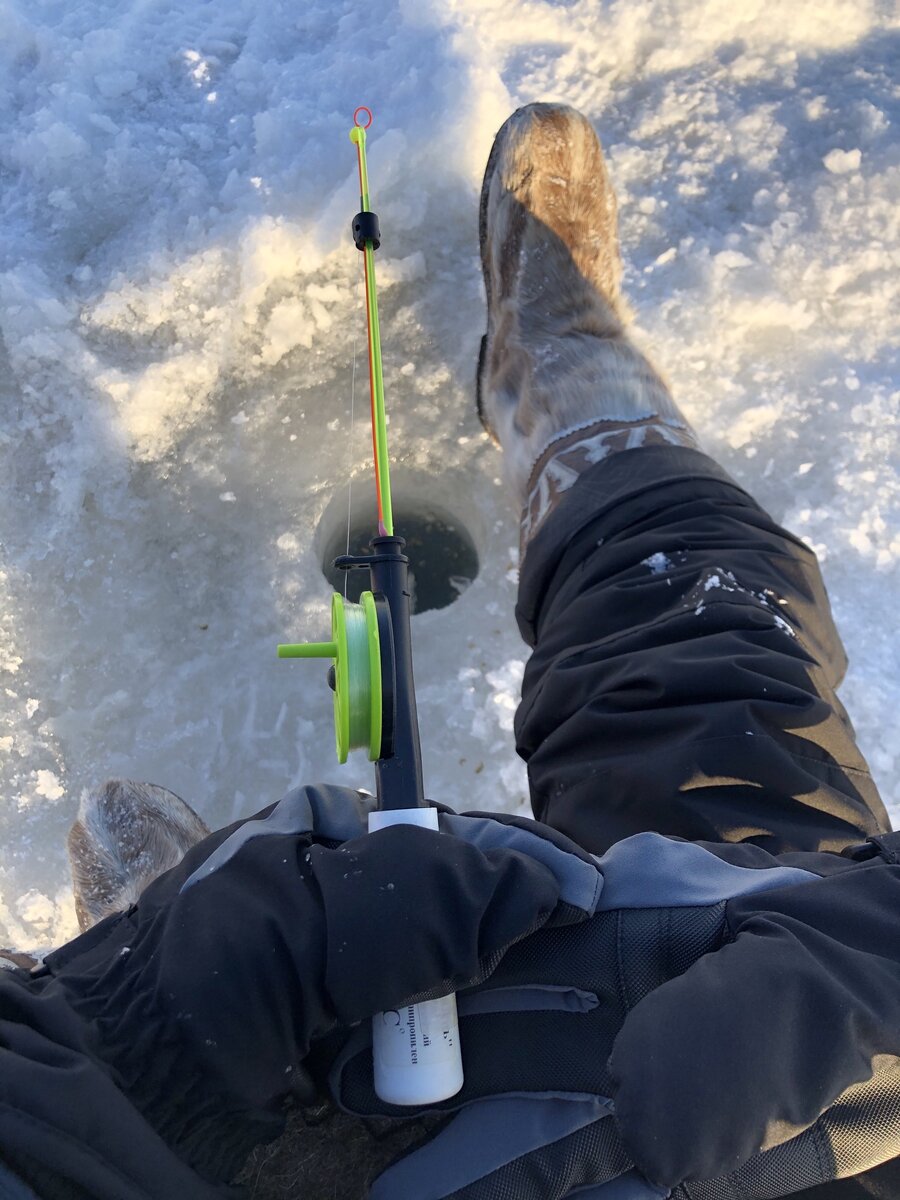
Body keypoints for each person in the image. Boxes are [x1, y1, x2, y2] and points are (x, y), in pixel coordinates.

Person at [1, 103, 898, 1200]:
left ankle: (143, 1036)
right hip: (793, 1074)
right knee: (708, 659)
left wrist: (127, 1050)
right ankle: (571, 380)